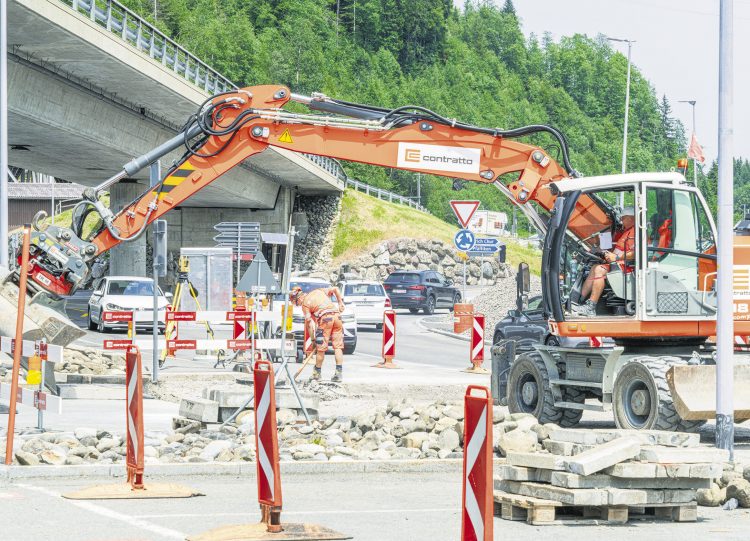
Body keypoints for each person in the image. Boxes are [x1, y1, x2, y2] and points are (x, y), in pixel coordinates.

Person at [574, 207, 636, 317]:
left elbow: (635, 253)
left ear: (631, 218)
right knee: (594, 267)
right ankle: (578, 301)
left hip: (626, 266)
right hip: (618, 263)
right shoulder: (626, 231)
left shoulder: (635, 232)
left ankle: (591, 306)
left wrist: (616, 258)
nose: (621, 220)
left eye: (623, 218)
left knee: (599, 269)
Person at [290, 285, 346, 382]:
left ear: (298, 299)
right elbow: (336, 289)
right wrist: (340, 303)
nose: (298, 305)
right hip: (337, 317)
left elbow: (309, 323)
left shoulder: (305, 305)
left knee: (321, 349)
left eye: (296, 304)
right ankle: (338, 374)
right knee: (338, 347)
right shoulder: (319, 291)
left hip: (326, 319)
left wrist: (313, 340)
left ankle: (317, 374)